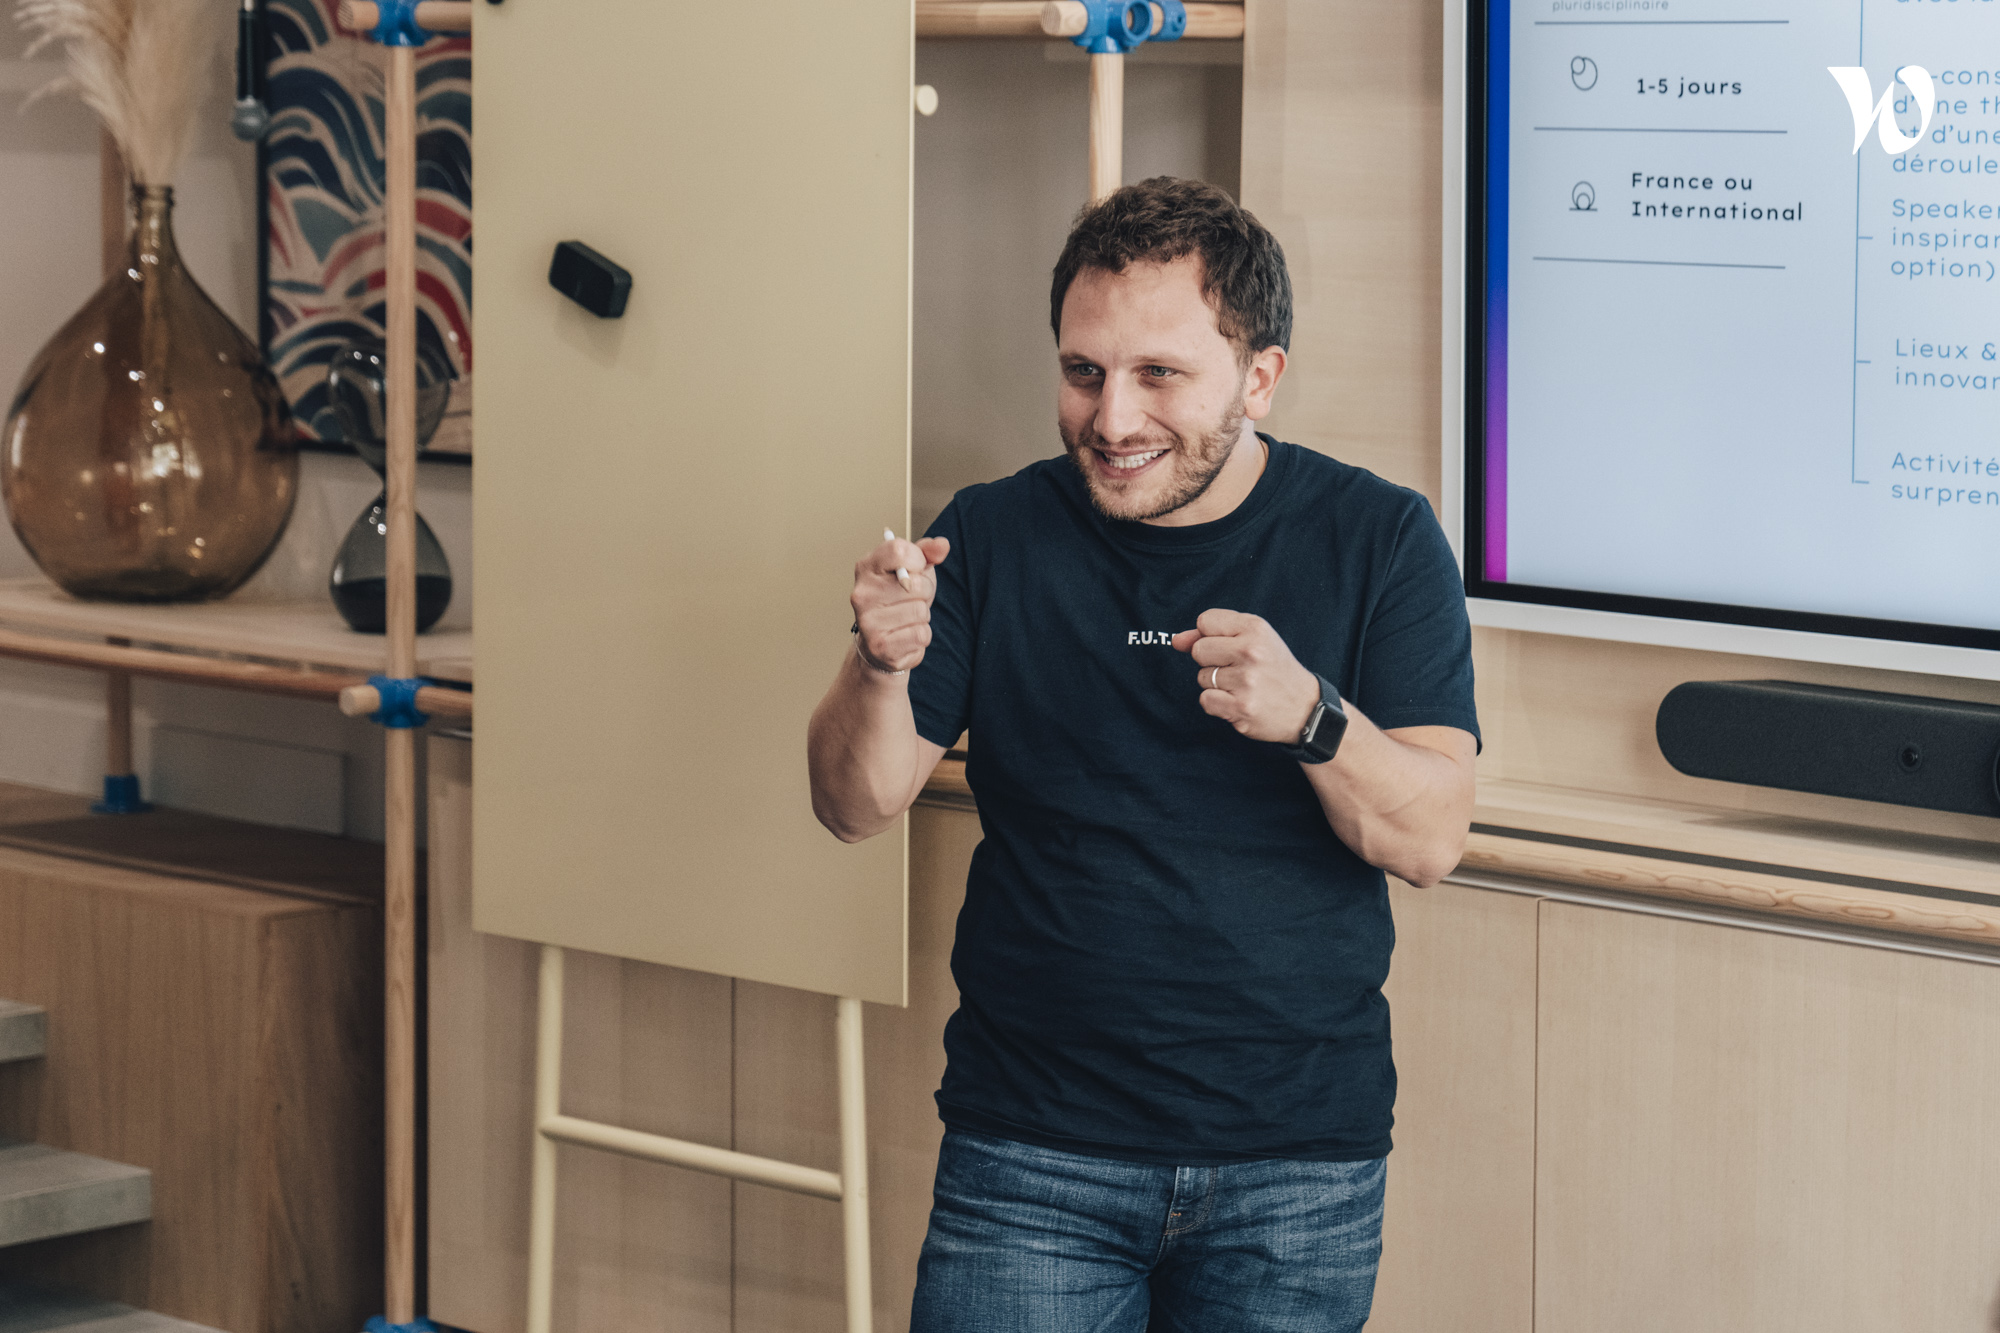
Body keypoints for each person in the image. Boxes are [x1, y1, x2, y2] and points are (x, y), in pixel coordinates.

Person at [806, 176, 1479, 1333]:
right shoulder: (991, 533)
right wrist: (875, 662)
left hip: (1294, 1166)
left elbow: (1428, 839)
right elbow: (852, 804)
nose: (1111, 419)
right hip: (1030, 1152)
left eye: (1158, 374)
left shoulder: (1378, 536)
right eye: (1083, 372)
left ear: (1257, 377)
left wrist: (1314, 718)